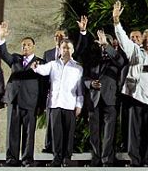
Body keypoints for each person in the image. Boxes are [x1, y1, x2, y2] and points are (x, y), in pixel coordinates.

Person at [112, 1, 148, 166]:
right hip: (135, 96)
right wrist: (116, 21)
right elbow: (122, 38)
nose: (147, 39)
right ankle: (135, 160)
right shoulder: (134, 50)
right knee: (134, 131)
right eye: (145, 36)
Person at [0, 21, 47, 167]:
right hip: (14, 101)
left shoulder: (41, 63)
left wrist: (41, 105)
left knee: (28, 133)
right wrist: (2, 38)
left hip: (31, 103)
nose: (25, 47)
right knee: (12, 132)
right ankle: (11, 159)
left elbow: (44, 86)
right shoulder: (15, 59)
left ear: (33, 47)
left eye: (28, 45)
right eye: (23, 45)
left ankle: (27, 159)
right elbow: (3, 54)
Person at [31, 39, 83, 167]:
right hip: (54, 103)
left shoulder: (77, 67)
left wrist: (79, 105)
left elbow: (80, 89)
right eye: (64, 47)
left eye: (69, 48)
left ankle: (67, 157)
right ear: (59, 49)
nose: (66, 50)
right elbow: (42, 70)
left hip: (70, 103)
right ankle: (57, 157)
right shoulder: (53, 64)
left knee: (68, 132)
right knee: (56, 133)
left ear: (73, 50)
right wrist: (35, 67)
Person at [42, 17, 88, 154]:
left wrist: (83, 31)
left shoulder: (73, 58)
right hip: (52, 96)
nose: (58, 37)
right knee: (52, 125)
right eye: (56, 35)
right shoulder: (48, 54)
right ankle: (50, 147)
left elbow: (81, 47)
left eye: (61, 35)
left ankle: (65, 153)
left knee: (65, 126)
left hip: (67, 98)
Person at [82, 30, 126, 167]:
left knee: (109, 132)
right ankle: (96, 158)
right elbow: (84, 77)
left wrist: (107, 45)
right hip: (94, 99)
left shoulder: (115, 58)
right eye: (100, 42)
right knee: (94, 131)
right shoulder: (92, 58)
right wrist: (90, 83)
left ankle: (107, 159)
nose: (101, 45)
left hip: (110, 98)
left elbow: (121, 61)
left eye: (104, 42)